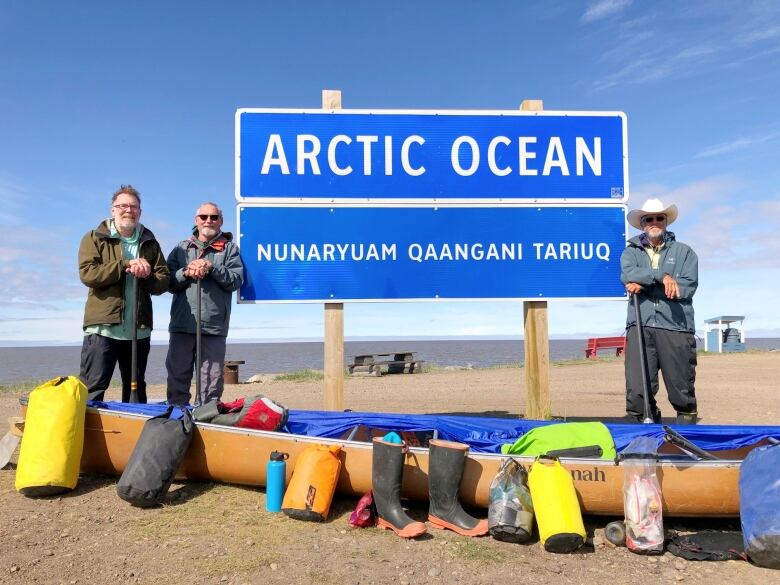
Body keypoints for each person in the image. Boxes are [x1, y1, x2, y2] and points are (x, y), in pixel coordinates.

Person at [78, 185, 170, 403]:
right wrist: (125, 264)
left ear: (140, 211)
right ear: (112, 210)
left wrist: (146, 273)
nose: (128, 210)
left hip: (138, 331)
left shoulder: (149, 242)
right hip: (102, 329)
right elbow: (88, 274)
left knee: (136, 393)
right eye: (123, 206)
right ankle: (88, 437)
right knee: (93, 389)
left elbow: (163, 280)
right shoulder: (94, 238)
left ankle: (137, 435)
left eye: (133, 206)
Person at [620, 198, 699, 425]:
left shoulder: (685, 253)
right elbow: (627, 275)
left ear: (666, 222)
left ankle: (685, 441)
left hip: (676, 327)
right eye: (649, 219)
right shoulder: (630, 252)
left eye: (659, 218)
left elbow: (686, 287)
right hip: (640, 324)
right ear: (642, 223)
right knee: (638, 392)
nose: (654, 222)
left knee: (681, 389)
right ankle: (647, 437)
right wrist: (661, 277)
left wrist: (642, 284)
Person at [165, 202, 244, 405]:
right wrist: (185, 272)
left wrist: (212, 267)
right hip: (182, 324)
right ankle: (177, 420)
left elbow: (236, 280)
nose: (208, 220)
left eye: (214, 217)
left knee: (211, 382)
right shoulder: (181, 248)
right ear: (196, 220)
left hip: (213, 326)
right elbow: (167, 282)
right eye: (204, 217)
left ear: (221, 221)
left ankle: (206, 420)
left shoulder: (230, 250)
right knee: (177, 378)